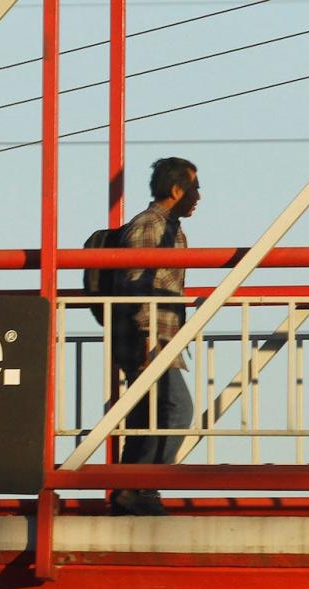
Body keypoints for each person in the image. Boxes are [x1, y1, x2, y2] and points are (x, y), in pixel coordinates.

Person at [110, 157, 200, 516]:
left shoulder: (172, 229)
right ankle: (142, 487)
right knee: (178, 409)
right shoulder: (151, 226)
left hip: (160, 340)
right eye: (194, 188)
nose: (199, 196)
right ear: (176, 190)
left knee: (148, 416)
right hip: (149, 341)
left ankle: (129, 492)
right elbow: (136, 285)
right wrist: (150, 342)